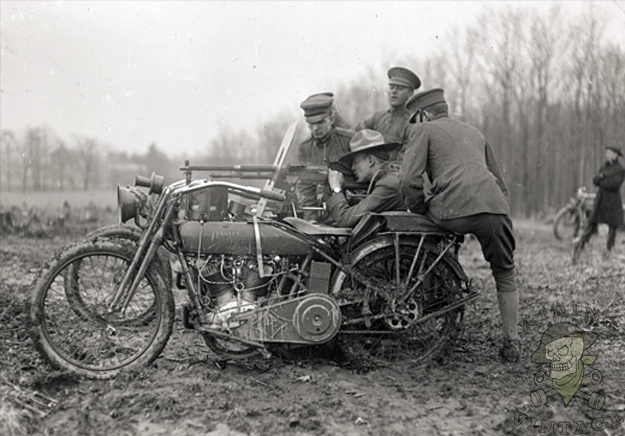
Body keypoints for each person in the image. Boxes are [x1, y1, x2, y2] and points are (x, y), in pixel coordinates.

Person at [398, 88, 520, 363]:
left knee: (428, 237)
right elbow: (501, 183)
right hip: (494, 208)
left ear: (423, 114)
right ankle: (512, 344)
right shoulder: (474, 132)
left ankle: (438, 293)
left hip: (452, 209)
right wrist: (498, 210)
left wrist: (419, 207)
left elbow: (408, 181)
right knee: (505, 273)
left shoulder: (422, 130)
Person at [326, 130, 406, 228]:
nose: (352, 168)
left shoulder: (388, 184)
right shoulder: (389, 177)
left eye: (355, 162)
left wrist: (336, 189)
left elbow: (345, 219)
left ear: (370, 160)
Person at [297, 93, 356, 221]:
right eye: (310, 124)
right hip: (320, 216)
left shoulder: (350, 140)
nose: (315, 128)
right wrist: (311, 220)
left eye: (321, 122)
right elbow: (305, 188)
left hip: (347, 212)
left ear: (332, 118)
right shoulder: (305, 147)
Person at [354, 67, 421, 164]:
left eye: (400, 88)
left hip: (393, 176)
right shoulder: (378, 117)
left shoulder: (412, 123)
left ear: (410, 94)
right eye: (391, 87)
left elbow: (404, 163)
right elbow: (354, 133)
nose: (394, 91)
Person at [573, 146, 625, 262]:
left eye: (610, 153)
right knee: (592, 223)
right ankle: (580, 246)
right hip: (601, 199)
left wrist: (602, 178)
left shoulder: (620, 169)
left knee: (613, 226)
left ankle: (609, 250)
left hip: (613, 201)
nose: (607, 155)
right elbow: (595, 180)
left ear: (616, 155)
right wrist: (601, 179)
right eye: (607, 152)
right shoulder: (605, 166)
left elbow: (614, 184)